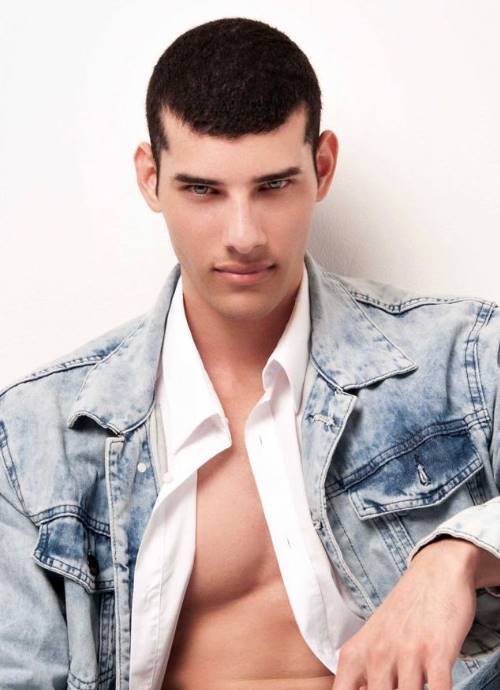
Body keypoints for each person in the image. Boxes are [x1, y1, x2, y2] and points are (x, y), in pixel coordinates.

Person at [0, 15, 499, 690]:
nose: (243, 235)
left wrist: (457, 555)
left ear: (322, 168)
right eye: (203, 190)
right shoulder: (37, 439)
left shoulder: (464, 363)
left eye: (273, 186)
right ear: (150, 177)